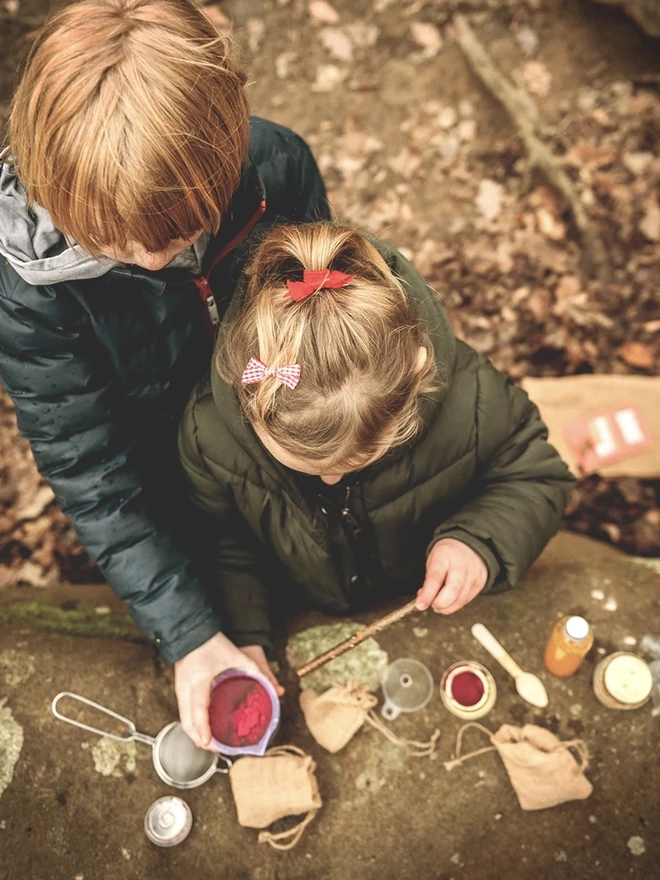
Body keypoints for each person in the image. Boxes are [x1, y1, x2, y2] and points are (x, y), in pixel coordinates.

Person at [0, 0, 329, 727]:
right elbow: (92, 472)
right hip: (160, 469)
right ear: (63, 196)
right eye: (115, 243)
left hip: (270, 421)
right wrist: (189, 634)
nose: (156, 260)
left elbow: (316, 301)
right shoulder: (33, 292)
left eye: (182, 232)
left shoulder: (276, 167)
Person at [179, 222, 576, 748]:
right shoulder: (212, 437)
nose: (330, 479)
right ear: (252, 403)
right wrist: (247, 631)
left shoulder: (473, 403)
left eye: (356, 459)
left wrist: (480, 541)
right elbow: (223, 542)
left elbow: (538, 474)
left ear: (416, 374)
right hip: (304, 596)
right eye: (301, 464)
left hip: (415, 589)